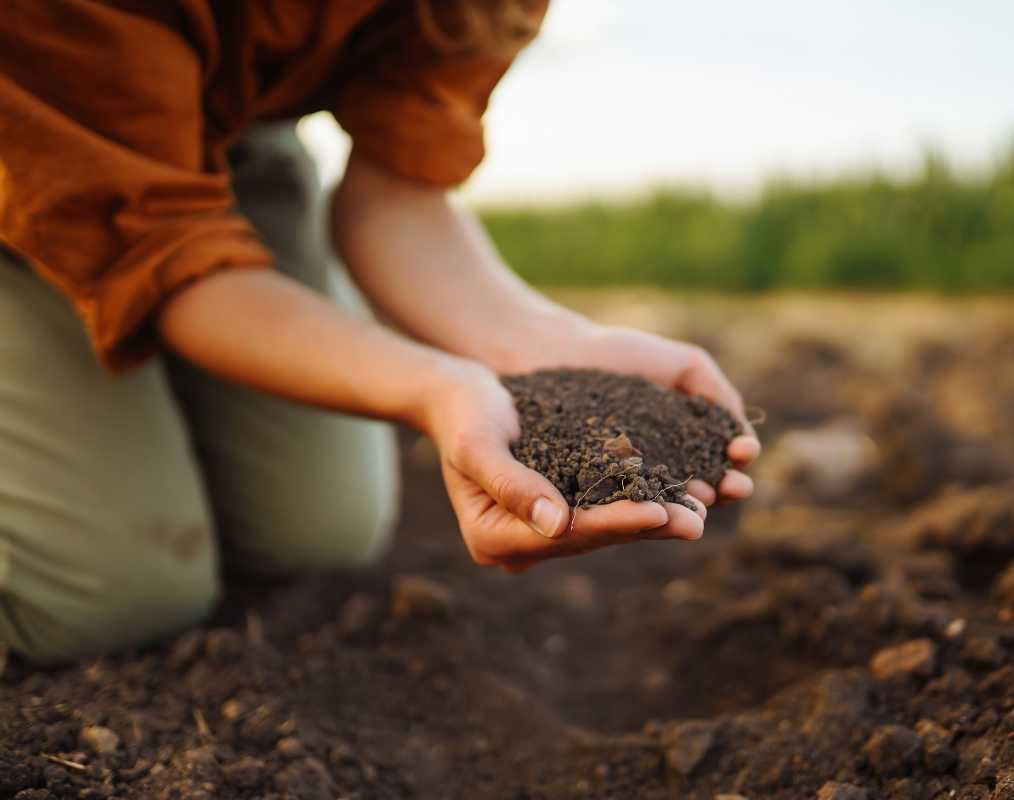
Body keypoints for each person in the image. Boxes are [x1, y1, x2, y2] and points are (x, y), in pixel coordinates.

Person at [0, 0, 758, 665]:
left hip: (223, 138)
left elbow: (397, 195)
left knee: (315, 536)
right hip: (30, 134)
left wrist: (539, 346)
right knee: (114, 598)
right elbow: (167, 256)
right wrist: (430, 386)